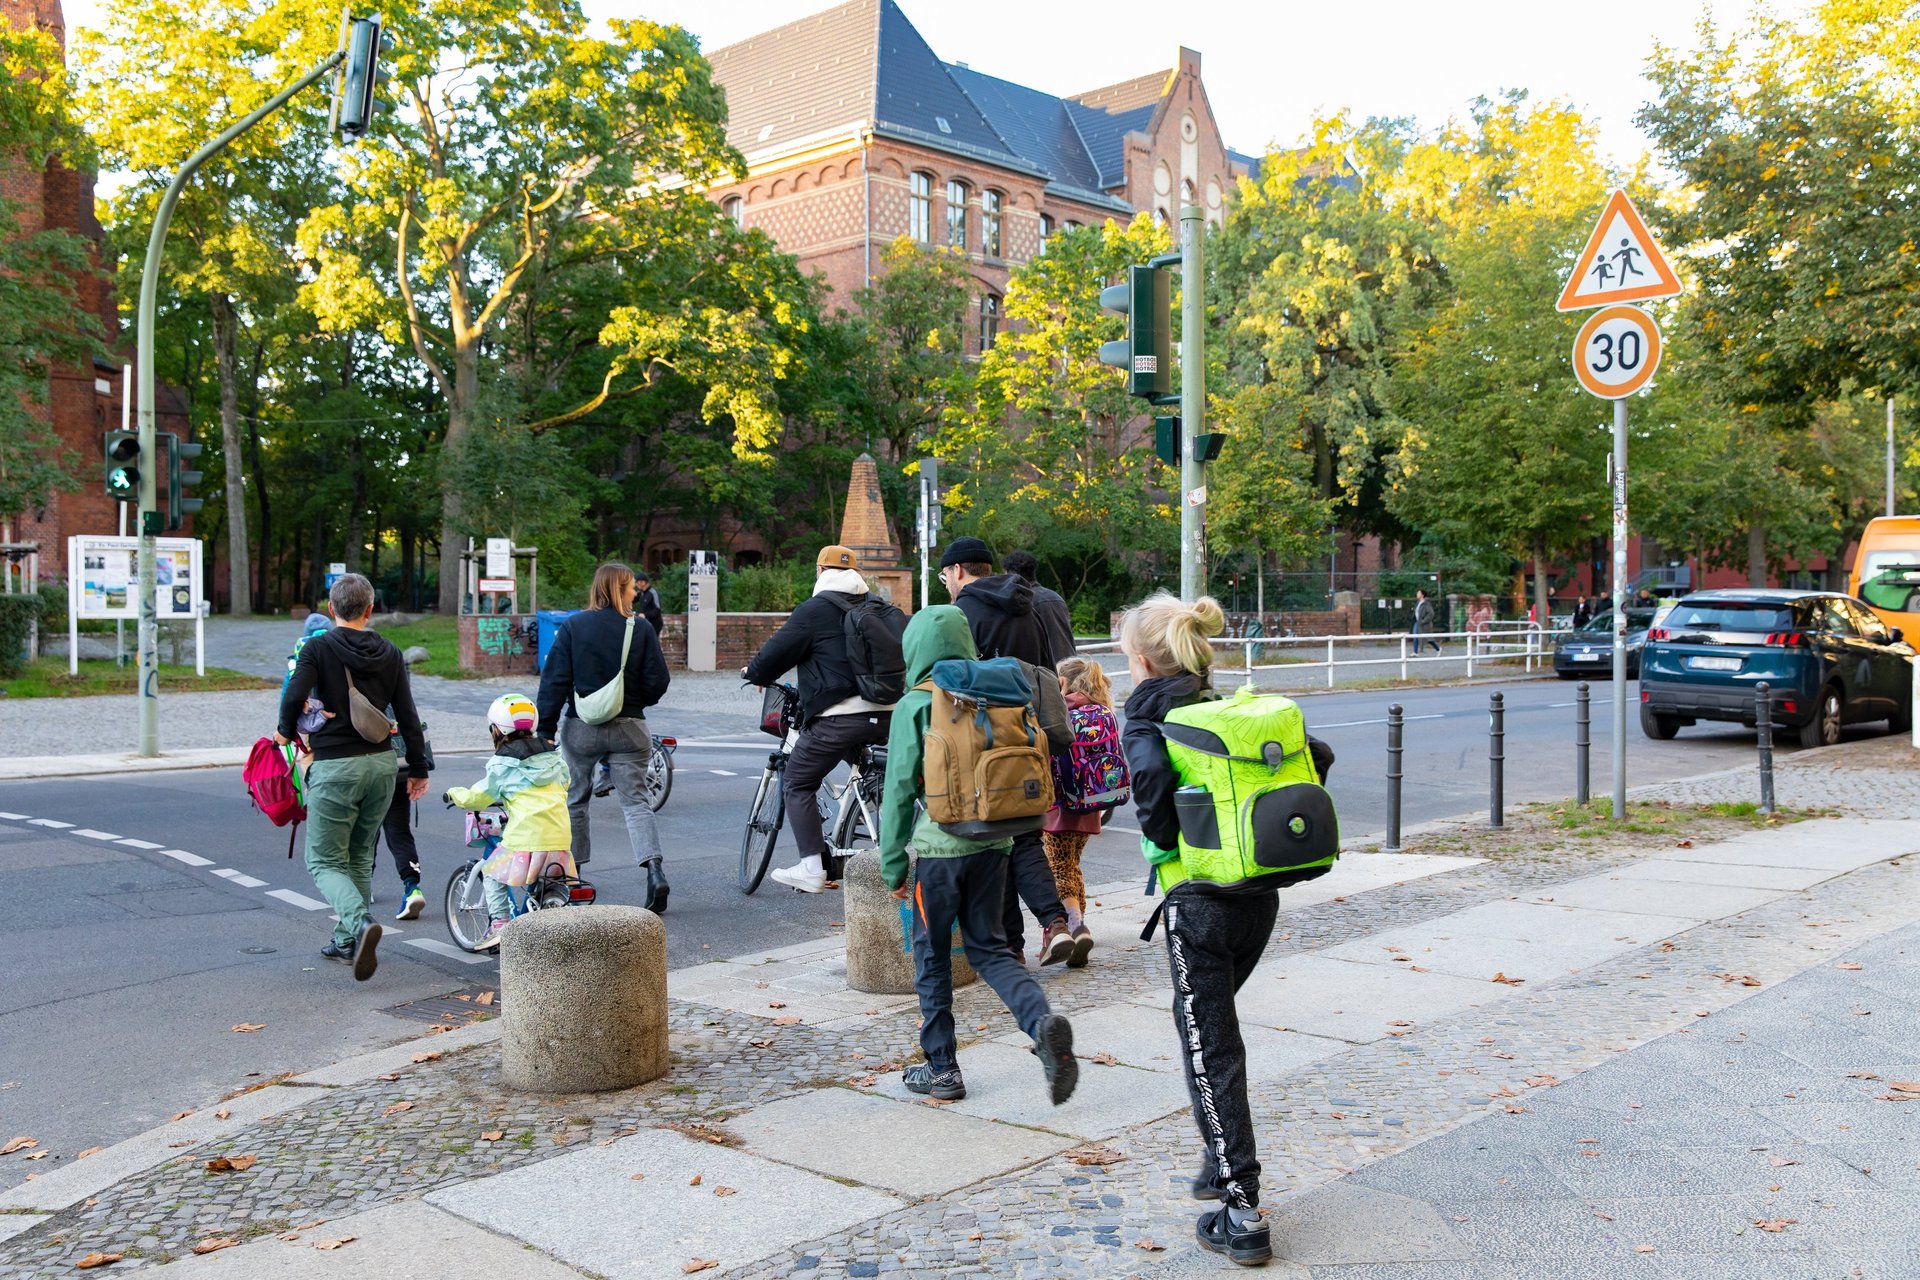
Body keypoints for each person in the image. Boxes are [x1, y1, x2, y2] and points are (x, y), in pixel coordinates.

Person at [1118, 591, 1274, 1266]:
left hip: (1199, 902)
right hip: (1260, 895)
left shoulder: (1149, 715)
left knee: (1210, 1050)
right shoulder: (1227, 708)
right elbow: (1314, 755)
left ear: (1145, 662)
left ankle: (1241, 1211)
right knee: (1216, 1036)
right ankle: (1221, 1167)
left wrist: (1170, 846)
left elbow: (1150, 790)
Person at [879, 604, 1077, 1106]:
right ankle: (1040, 1023)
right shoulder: (1001, 692)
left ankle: (942, 1069)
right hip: (996, 844)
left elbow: (900, 789)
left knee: (932, 955)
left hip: (939, 854)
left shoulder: (916, 704)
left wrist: (894, 866)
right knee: (990, 950)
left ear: (915, 648)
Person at [274, 573, 428, 982]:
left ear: (330, 609)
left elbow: (293, 695)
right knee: (359, 855)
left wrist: (285, 731)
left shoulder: (317, 648)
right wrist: (418, 767)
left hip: (336, 765)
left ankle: (359, 923)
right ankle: (346, 941)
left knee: (323, 859)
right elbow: (408, 716)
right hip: (381, 765)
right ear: (370, 609)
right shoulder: (391, 652)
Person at [939, 537, 1073, 966]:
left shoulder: (961, 614)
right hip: (1030, 738)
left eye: (944, 576)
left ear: (958, 570)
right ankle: (1055, 924)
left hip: (983, 742)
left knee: (995, 844)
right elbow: (1046, 672)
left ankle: (1010, 949)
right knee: (1025, 837)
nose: (945, 583)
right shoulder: (1027, 605)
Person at [742, 545, 903, 893]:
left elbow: (774, 653)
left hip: (840, 717)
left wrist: (755, 673)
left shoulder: (814, 610)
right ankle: (868, 799)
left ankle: (813, 868)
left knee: (798, 781)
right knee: (852, 753)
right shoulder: (877, 607)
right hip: (888, 712)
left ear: (819, 572)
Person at [536, 562, 673, 912]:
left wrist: (546, 729)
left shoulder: (573, 626)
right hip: (630, 727)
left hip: (581, 728)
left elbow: (555, 680)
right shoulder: (639, 629)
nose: (634, 593)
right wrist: (635, 701)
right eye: (630, 588)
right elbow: (659, 681)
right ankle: (654, 871)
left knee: (576, 800)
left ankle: (575, 877)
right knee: (636, 803)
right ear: (618, 588)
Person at [444, 693, 574, 951]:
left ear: (496, 729)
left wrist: (454, 794)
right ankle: (550, 911)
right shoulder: (554, 758)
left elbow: (479, 797)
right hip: (560, 838)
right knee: (549, 880)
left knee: (492, 873)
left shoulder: (502, 764)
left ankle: (500, 925)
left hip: (525, 839)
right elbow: (566, 783)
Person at [1040, 656, 1122, 967]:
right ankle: (1080, 930)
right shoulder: (1104, 712)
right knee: (1072, 866)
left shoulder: (1060, 712)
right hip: (1092, 805)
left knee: (1057, 870)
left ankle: (1075, 926)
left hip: (1060, 805)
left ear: (1064, 683)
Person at [1002, 549, 1077, 667]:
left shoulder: (1023, 602)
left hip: (1048, 673)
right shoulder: (1055, 597)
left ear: (1009, 574)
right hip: (1069, 667)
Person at [634, 570, 665, 637]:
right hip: (645, 623)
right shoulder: (641, 592)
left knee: (652, 645)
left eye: (637, 582)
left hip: (654, 625)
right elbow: (632, 599)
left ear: (643, 582)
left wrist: (645, 614)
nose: (636, 584)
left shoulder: (652, 592)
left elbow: (657, 610)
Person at [1412, 588, 1440, 654]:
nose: (1417, 594)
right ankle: (1415, 652)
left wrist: (1424, 621)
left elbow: (1431, 613)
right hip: (1417, 622)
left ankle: (1438, 648)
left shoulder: (1426, 603)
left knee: (1428, 638)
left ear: (1422, 595)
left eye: (1418, 593)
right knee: (1415, 636)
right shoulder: (1418, 603)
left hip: (1424, 624)